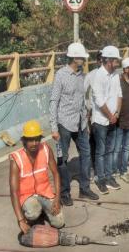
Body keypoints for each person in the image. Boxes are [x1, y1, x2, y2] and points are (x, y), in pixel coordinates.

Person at [50, 42, 98, 206]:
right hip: (64, 124)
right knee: (62, 159)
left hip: (81, 124)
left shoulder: (82, 76)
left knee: (86, 155)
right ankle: (64, 192)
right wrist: (54, 127)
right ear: (74, 58)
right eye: (82, 58)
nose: (84, 61)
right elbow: (54, 101)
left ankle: (84, 188)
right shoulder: (61, 75)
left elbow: (84, 100)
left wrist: (87, 120)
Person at [10, 120, 64, 234]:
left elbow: (56, 174)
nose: (34, 143)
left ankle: (43, 210)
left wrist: (57, 199)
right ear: (24, 140)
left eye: (37, 139)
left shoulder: (45, 149)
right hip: (27, 196)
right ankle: (32, 213)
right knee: (33, 213)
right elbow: (14, 192)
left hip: (45, 193)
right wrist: (20, 220)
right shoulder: (16, 159)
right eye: (30, 139)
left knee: (59, 223)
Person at [91, 45, 122, 194]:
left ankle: (109, 177)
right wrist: (110, 116)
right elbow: (99, 100)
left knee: (110, 150)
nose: (118, 62)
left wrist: (117, 114)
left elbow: (119, 95)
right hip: (101, 121)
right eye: (116, 60)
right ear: (109, 60)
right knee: (101, 151)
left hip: (113, 119)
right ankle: (100, 179)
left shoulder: (115, 74)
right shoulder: (99, 76)